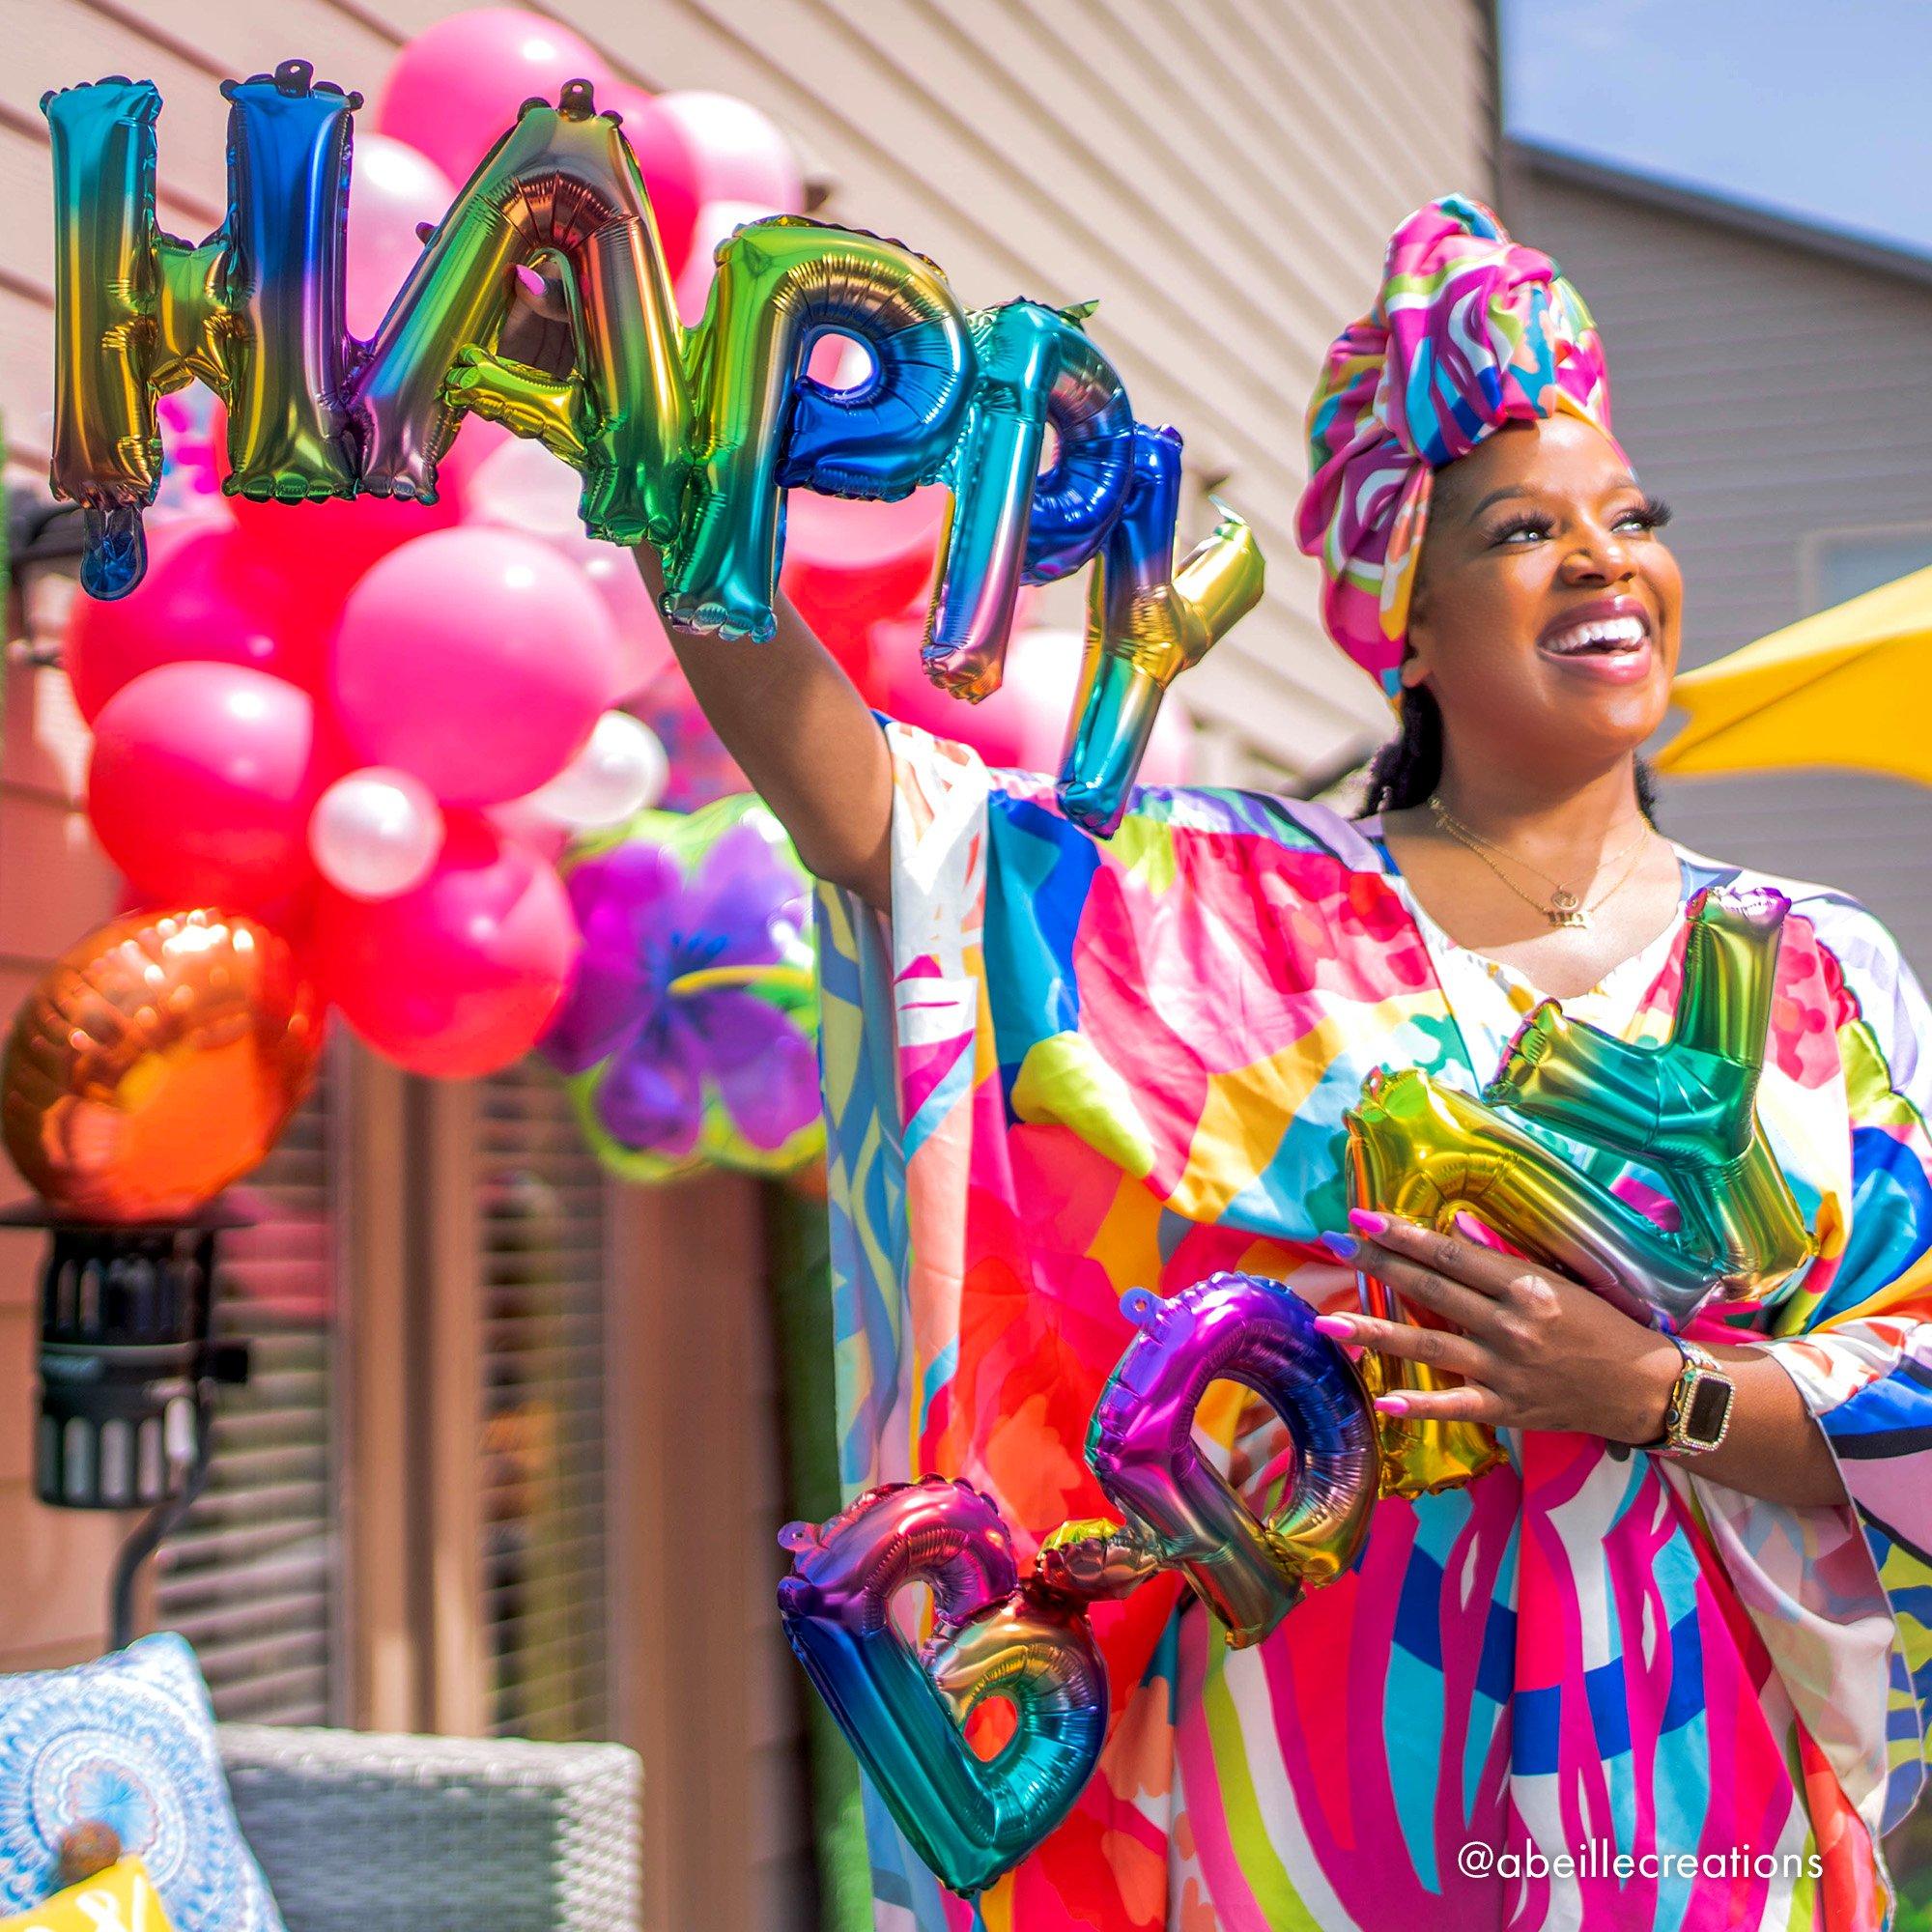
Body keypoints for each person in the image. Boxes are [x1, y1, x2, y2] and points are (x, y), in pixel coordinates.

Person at [642, 197, 1932, 1928]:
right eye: (1524, 529)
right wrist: (669, 496)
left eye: (1632, 519)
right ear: (1404, 614)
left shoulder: (1820, 972)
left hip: (1688, 1787)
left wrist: (1652, 1394)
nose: (1606, 557)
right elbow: (887, 824)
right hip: (1320, 1775)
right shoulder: (1249, 907)